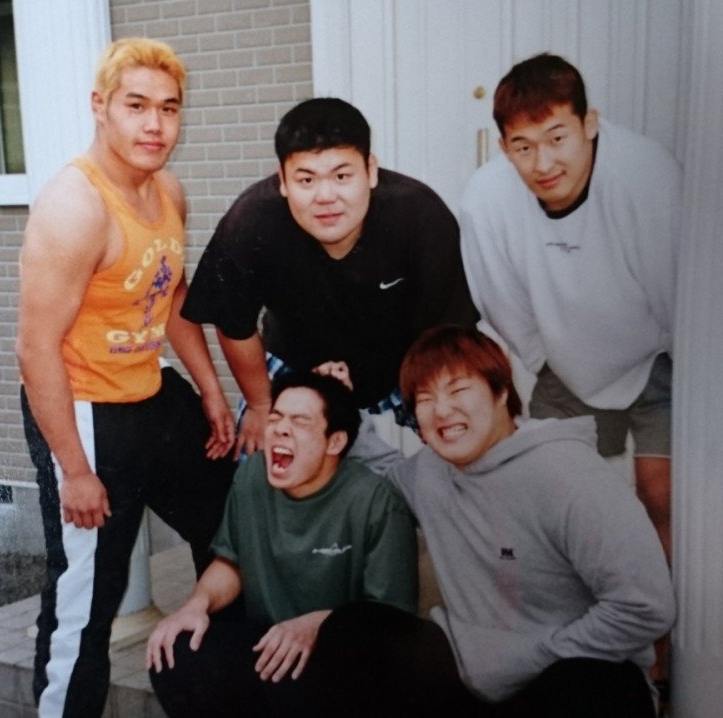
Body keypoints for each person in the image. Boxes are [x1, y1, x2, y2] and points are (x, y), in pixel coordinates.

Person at [16, 38, 236, 718]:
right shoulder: (74, 207)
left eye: (168, 109)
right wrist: (75, 470)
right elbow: (34, 349)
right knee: (88, 596)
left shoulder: (167, 190)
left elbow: (170, 294)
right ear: (101, 107)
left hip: (150, 391)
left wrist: (209, 390)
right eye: (136, 106)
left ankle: (222, 689)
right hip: (83, 408)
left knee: (232, 522)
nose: (154, 125)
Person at [321, 325, 675, 717]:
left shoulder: (568, 473)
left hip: (563, 677)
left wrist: (528, 658)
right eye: (425, 398)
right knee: (353, 629)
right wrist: (342, 405)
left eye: (458, 390)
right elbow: (380, 475)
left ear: (501, 391)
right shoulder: (429, 472)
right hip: (472, 679)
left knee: (590, 682)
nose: (442, 410)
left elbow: (646, 606)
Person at [458, 53, 679, 566]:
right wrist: (548, 360)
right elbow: (502, 301)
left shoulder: (648, 177)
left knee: (661, 493)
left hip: (658, 355)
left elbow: (683, 295)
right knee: (553, 497)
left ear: (590, 123)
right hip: (565, 363)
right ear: (504, 147)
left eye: (557, 138)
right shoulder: (486, 200)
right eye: (523, 147)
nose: (543, 164)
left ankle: (663, 614)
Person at [181, 96, 478, 457]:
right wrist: (261, 405)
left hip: (404, 359)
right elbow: (234, 325)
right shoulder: (251, 221)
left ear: (370, 170)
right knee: (260, 462)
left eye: (341, 176)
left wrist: (440, 409)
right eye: (306, 179)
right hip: (295, 358)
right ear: (283, 180)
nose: (325, 196)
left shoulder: (420, 215)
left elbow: (449, 334)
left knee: (468, 441)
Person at [146, 371, 418, 717]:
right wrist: (195, 605)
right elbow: (231, 562)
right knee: (175, 650)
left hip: (342, 653)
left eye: (300, 421)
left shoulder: (376, 501)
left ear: (335, 442)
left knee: (305, 684)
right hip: (269, 639)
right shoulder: (251, 476)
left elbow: (390, 616)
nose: (281, 429)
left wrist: (319, 625)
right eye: (275, 418)